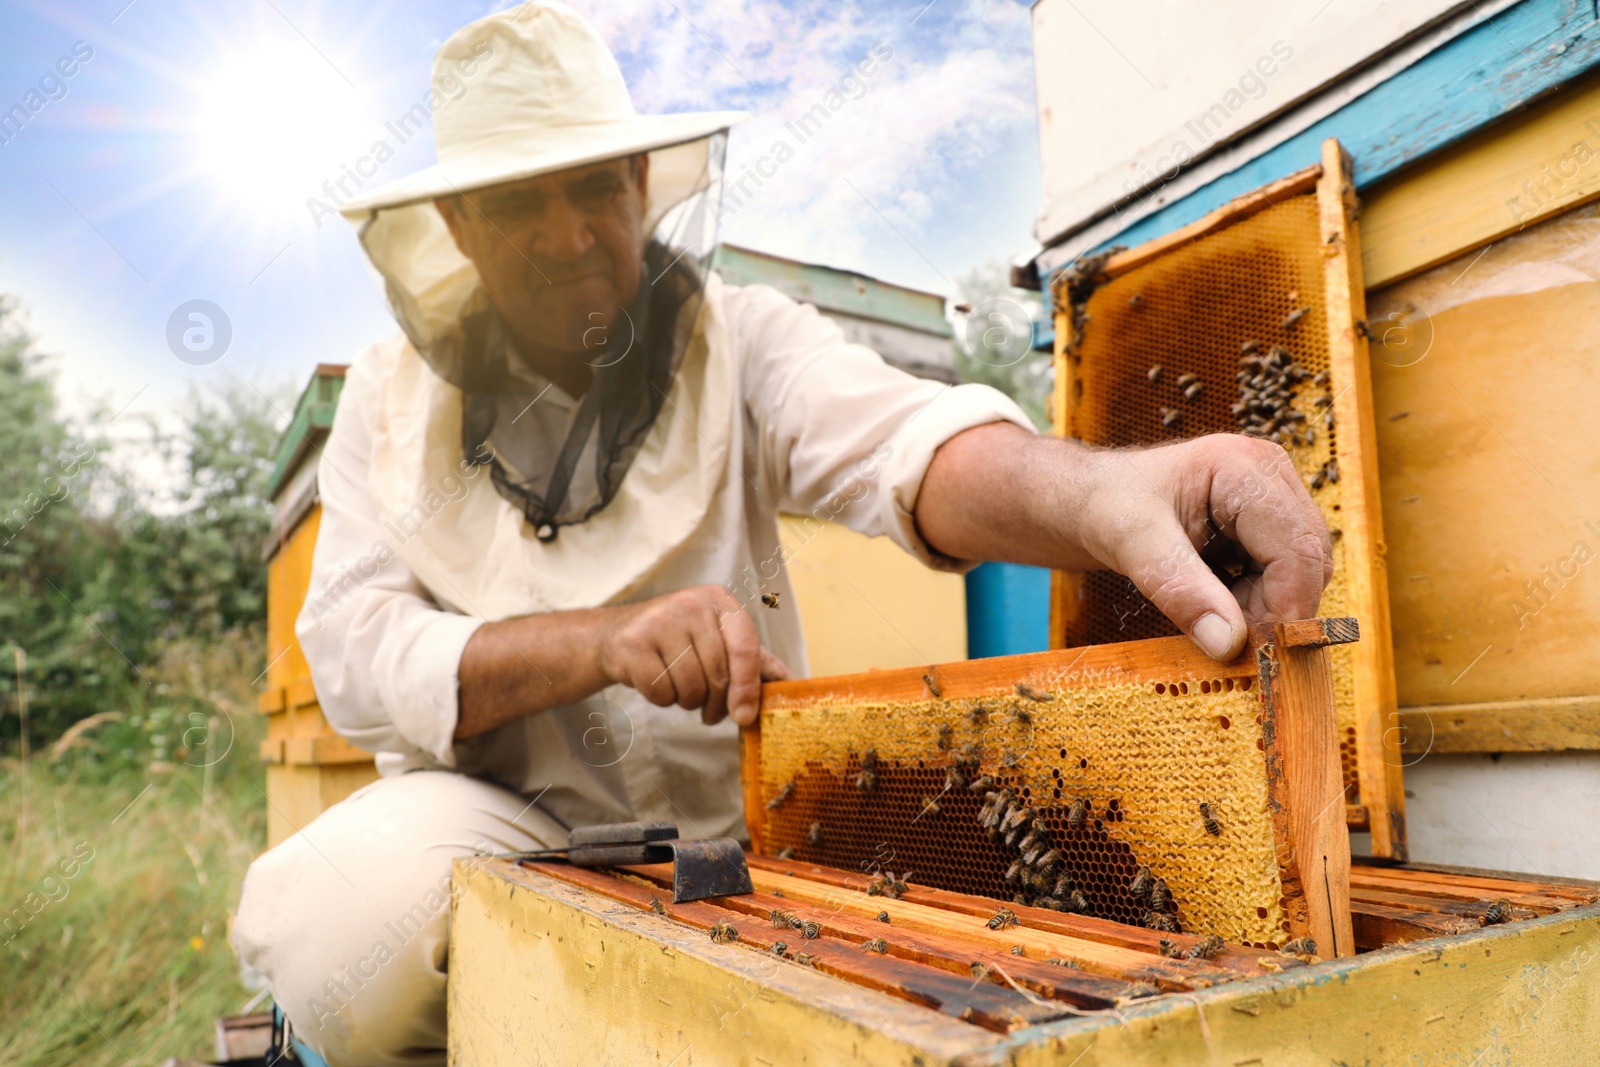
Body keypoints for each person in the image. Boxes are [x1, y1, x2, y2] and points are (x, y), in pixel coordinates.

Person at [232, 5, 1332, 1065]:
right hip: (498, 823)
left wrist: (1107, 496)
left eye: (596, 187)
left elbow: (904, 444)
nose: (571, 235)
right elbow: (353, 650)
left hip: (743, 826)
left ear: (640, 185)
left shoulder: (741, 338)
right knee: (338, 936)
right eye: (525, 201)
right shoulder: (384, 400)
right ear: (461, 226)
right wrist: (599, 642)